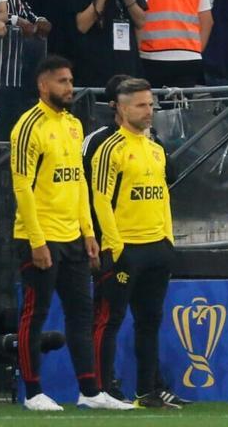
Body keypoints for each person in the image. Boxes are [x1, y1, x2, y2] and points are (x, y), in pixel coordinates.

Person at [9, 55, 128, 412]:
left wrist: (88, 232)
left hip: (73, 236)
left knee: (81, 313)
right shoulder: (27, 126)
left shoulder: (74, 125)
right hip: (41, 236)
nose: (69, 87)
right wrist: (37, 239)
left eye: (70, 80)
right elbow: (22, 186)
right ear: (43, 86)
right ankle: (32, 392)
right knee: (36, 313)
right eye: (61, 81)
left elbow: (78, 183)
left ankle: (90, 391)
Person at [86, 77, 184, 410]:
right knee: (109, 320)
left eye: (151, 104)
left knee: (150, 322)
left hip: (157, 246)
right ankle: (100, 391)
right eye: (141, 105)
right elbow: (100, 200)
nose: (149, 110)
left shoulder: (155, 149)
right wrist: (113, 246)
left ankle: (147, 392)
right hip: (125, 248)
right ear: (122, 108)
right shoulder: (109, 149)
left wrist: (168, 240)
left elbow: (163, 196)